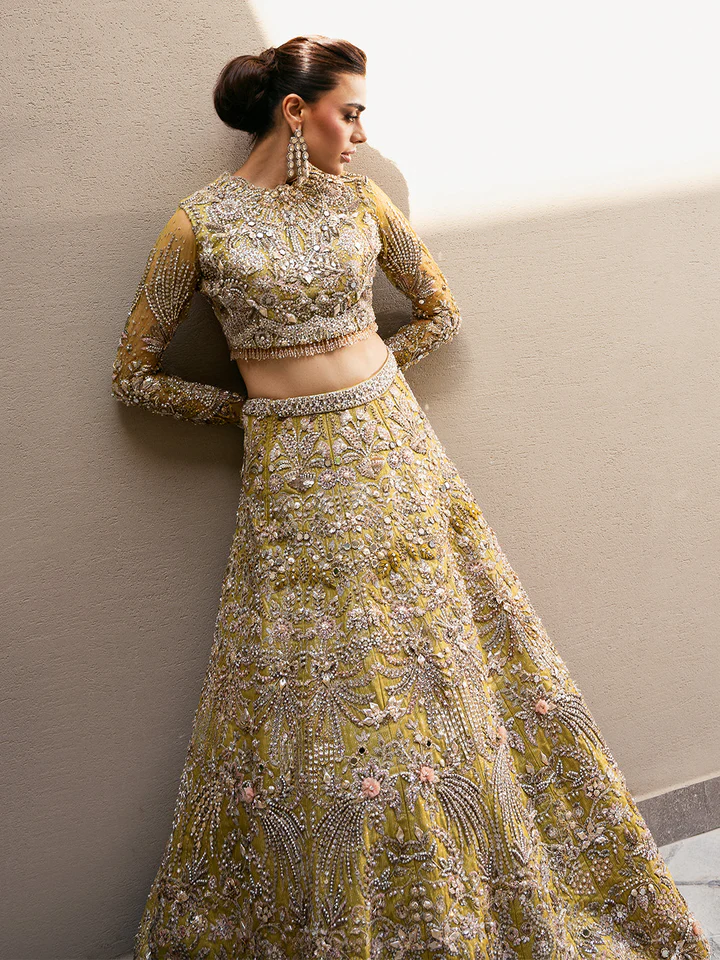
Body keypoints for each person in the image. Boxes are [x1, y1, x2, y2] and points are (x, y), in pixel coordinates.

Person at [112, 34, 709, 960]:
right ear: (295, 111)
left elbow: (439, 310)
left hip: (395, 456)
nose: (359, 135)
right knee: (315, 688)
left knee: (440, 664)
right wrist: (256, 414)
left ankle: (479, 895)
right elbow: (135, 377)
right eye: (349, 114)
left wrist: (371, 386)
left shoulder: (362, 203)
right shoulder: (199, 224)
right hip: (294, 481)